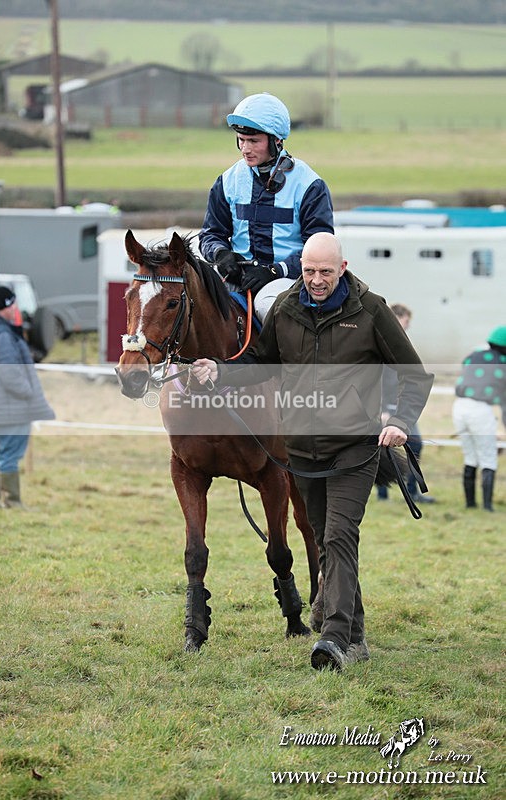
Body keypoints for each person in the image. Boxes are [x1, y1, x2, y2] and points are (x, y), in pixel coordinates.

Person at [192, 232, 433, 672]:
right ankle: (355, 634)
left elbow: (414, 374)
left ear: (342, 267)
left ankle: (334, 640)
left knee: (340, 537)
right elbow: (260, 364)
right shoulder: (286, 307)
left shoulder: (370, 310)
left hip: (355, 449)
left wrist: (399, 420)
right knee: (325, 540)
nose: (316, 280)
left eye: (325, 271)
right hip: (302, 450)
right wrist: (220, 371)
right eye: (308, 271)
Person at [199, 92, 334, 321]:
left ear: (276, 141)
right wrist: (221, 254)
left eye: (254, 141)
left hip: (288, 280)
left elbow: (320, 249)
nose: (245, 149)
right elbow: (211, 234)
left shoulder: (310, 185)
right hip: (237, 278)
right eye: (241, 140)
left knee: (268, 308)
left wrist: (274, 270)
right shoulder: (227, 181)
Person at [0, 285, 54, 508]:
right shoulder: (2, 334)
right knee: (10, 453)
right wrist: (26, 391)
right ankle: (12, 502)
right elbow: (9, 372)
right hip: (10, 405)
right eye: (14, 303)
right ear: (7, 306)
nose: (16, 308)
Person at [377, 304, 435, 503]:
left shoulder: (398, 342)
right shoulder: (382, 341)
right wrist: (383, 409)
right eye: (406, 322)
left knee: (413, 445)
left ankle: (410, 491)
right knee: (389, 447)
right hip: (389, 405)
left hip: (401, 403)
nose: (408, 326)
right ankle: (385, 491)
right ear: (398, 318)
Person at [452, 326, 506, 512]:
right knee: (488, 457)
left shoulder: (474, 355)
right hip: (481, 409)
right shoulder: (502, 362)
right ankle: (488, 506)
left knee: (470, 456)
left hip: (459, 407)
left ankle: (470, 504)